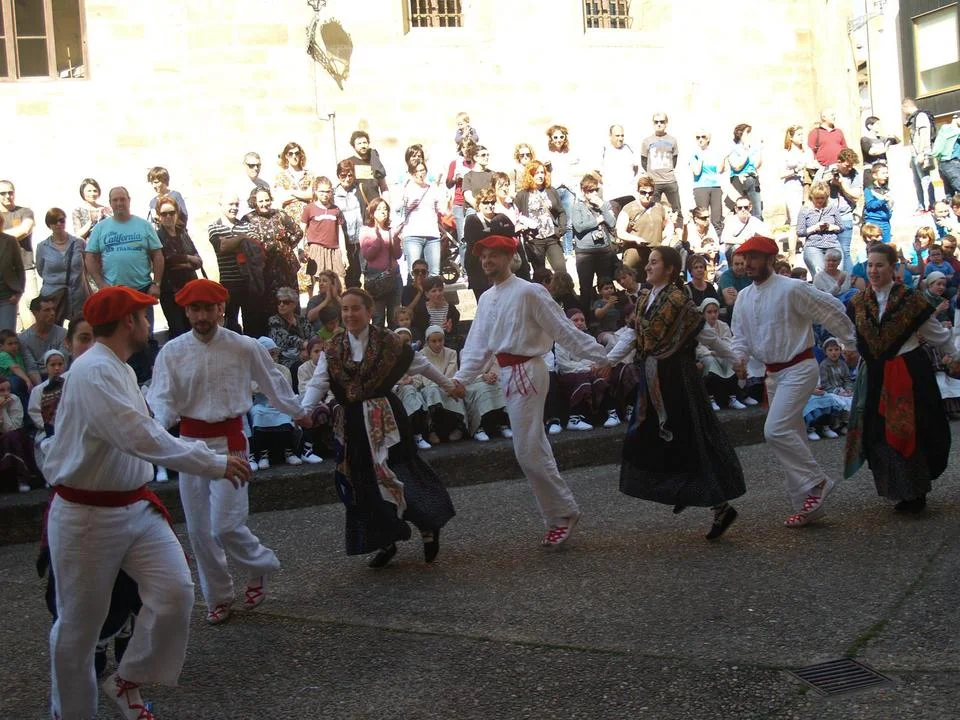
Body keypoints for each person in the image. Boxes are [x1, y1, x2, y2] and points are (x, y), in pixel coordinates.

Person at [43, 285, 252, 720]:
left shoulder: (116, 367)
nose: (148, 323)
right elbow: (142, 437)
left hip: (134, 507)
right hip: (86, 516)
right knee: (79, 627)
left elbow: (148, 429)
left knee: (175, 593)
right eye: (143, 316)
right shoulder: (93, 371)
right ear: (128, 322)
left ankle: (127, 677)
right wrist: (212, 461)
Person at [148, 278, 307, 626]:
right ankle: (219, 597)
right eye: (195, 309)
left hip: (231, 442)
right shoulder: (172, 352)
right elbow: (162, 398)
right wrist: (155, 432)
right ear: (186, 311)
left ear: (221, 309)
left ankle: (259, 564)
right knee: (199, 531)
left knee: (225, 524)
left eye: (208, 308)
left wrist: (299, 411)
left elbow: (274, 382)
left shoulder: (243, 346)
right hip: (189, 446)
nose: (202, 316)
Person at [451, 215, 610, 546]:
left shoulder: (530, 292)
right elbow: (477, 346)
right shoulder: (487, 298)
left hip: (528, 372)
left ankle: (562, 513)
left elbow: (563, 330)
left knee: (527, 450)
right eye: (483, 255)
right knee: (532, 446)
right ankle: (560, 512)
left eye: (494, 254)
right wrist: (460, 379)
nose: (487, 260)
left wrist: (602, 356)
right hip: (509, 375)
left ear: (510, 256)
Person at [301, 288, 457, 568]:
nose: (349, 314)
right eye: (345, 309)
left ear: (369, 311)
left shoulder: (389, 342)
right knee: (361, 481)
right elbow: (319, 381)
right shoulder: (333, 348)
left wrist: (449, 385)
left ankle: (428, 525)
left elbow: (420, 365)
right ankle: (384, 540)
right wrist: (304, 410)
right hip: (351, 423)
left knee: (400, 472)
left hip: (387, 418)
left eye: (355, 308)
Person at [604, 246, 746, 539]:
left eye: (654, 262)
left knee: (691, 439)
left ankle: (719, 505)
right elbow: (632, 335)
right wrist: (607, 361)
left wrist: (734, 360)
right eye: (648, 263)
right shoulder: (644, 297)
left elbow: (707, 336)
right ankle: (684, 489)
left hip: (679, 380)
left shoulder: (680, 302)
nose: (647, 267)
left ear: (669, 269)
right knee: (646, 440)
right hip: (653, 379)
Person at [729, 235, 858, 527]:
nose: (748, 263)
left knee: (775, 431)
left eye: (754, 257)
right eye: (745, 258)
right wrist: (739, 360)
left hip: (800, 368)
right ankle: (807, 506)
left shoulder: (792, 288)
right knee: (793, 436)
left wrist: (849, 343)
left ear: (770, 259)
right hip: (773, 374)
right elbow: (740, 337)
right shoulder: (744, 297)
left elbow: (830, 308)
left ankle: (818, 481)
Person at [844, 242, 954, 514]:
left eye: (880, 265)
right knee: (879, 431)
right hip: (875, 374)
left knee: (909, 429)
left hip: (908, 371)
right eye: (870, 265)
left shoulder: (910, 300)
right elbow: (850, 333)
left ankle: (915, 492)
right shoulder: (859, 302)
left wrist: (955, 354)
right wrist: (848, 348)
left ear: (893, 268)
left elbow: (936, 333)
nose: (873, 270)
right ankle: (897, 488)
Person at [84, 186, 164, 382]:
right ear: (110, 203)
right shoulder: (101, 228)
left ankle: (147, 381)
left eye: (122, 199)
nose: (119, 203)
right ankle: (122, 379)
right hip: (115, 294)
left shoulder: (143, 225)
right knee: (119, 338)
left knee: (144, 337)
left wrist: (156, 283)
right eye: (115, 200)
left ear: (129, 200)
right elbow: (90, 257)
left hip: (142, 291)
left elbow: (158, 254)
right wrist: (101, 284)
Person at [243, 187, 304, 320]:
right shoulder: (248, 219)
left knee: (289, 300)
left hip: (285, 269)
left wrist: (286, 246)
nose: (265, 204)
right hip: (264, 270)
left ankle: (294, 327)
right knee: (269, 304)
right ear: (254, 202)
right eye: (261, 201)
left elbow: (298, 232)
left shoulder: (280, 215)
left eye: (267, 200)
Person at [208, 192, 261, 336]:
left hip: (249, 282)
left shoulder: (246, 225)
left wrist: (232, 242)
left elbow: (255, 247)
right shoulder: (214, 227)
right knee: (230, 322)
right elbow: (222, 247)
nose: (234, 208)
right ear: (221, 205)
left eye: (236, 204)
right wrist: (242, 238)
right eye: (230, 204)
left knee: (252, 322)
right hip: (229, 282)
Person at [154, 194, 201, 338]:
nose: (168, 216)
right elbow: (167, 259)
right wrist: (188, 259)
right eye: (164, 214)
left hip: (191, 289)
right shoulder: (157, 236)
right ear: (159, 216)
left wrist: (186, 262)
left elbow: (198, 260)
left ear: (177, 213)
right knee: (178, 332)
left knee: (195, 330)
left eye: (171, 212)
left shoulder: (183, 233)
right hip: (171, 291)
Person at [571, 173, 617, 310]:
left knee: (606, 285)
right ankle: (586, 316)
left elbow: (612, 223)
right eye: (590, 190)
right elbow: (578, 227)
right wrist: (597, 221)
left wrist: (602, 206)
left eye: (596, 190)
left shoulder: (604, 205)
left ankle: (609, 314)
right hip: (585, 252)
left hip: (603, 251)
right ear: (583, 192)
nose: (594, 193)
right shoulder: (578, 207)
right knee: (586, 287)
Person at [813, 148, 861, 272]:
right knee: (827, 251)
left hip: (845, 216)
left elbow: (856, 196)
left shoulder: (854, 174)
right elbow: (813, 192)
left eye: (851, 166)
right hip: (826, 217)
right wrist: (825, 182)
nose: (849, 169)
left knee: (844, 251)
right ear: (839, 161)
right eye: (847, 166)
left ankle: (849, 278)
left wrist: (841, 185)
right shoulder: (824, 171)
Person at [36, 208, 88, 323]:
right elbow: (40, 270)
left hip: (77, 294)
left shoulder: (79, 242)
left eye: (61, 220)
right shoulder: (42, 247)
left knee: (80, 327)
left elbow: (86, 266)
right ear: (49, 224)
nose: (59, 224)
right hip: (53, 297)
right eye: (54, 221)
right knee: (54, 329)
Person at [515, 160, 566, 274]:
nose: (540, 176)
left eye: (542, 172)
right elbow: (516, 216)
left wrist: (561, 229)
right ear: (530, 175)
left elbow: (561, 211)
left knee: (561, 271)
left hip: (552, 237)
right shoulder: (522, 195)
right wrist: (523, 227)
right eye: (536, 173)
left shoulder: (551, 191)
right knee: (540, 275)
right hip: (534, 241)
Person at [359, 198, 402, 328]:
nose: (383, 212)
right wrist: (378, 241)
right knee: (378, 318)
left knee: (394, 317)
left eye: (385, 209)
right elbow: (367, 255)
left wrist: (395, 239)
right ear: (372, 212)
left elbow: (397, 255)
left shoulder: (391, 230)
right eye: (379, 209)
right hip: (376, 279)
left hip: (394, 276)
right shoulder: (366, 230)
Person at [301, 176, 348, 293]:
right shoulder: (309, 209)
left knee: (341, 284)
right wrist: (301, 250)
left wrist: (344, 254)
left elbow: (340, 232)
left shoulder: (336, 210)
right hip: (317, 249)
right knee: (318, 285)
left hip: (334, 250)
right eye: (322, 191)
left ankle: (340, 305)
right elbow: (302, 230)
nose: (325, 194)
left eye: (328, 191)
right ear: (316, 191)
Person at [615, 176, 669, 271]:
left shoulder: (659, 208)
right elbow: (620, 232)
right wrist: (635, 239)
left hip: (656, 251)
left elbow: (668, 225)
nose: (647, 195)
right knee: (629, 275)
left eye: (650, 193)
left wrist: (666, 240)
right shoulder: (628, 208)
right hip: (635, 250)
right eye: (643, 192)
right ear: (638, 191)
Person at [400, 160, 444, 277]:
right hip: (412, 235)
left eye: (422, 170)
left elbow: (441, 209)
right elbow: (398, 211)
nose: (420, 174)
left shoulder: (432, 188)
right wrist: (408, 205)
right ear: (411, 173)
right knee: (414, 273)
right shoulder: (406, 189)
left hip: (432, 235)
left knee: (434, 273)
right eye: (416, 171)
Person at [543, 124, 579, 254]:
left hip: (568, 190)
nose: (558, 140)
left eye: (561, 137)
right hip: (554, 190)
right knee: (554, 221)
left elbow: (576, 171)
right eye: (555, 137)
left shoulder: (570, 154)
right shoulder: (547, 155)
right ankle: (557, 251)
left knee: (568, 222)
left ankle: (568, 251)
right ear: (551, 139)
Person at [796, 181, 842, 277]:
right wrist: (814, 228)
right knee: (821, 276)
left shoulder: (832, 208)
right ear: (812, 197)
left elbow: (841, 227)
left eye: (822, 198)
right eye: (817, 198)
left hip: (832, 244)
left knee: (837, 275)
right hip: (813, 245)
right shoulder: (805, 210)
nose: (820, 201)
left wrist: (831, 227)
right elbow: (800, 232)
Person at [19, 296, 67, 380]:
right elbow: (31, 367)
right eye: (47, 310)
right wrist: (42, 386)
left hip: (59, 374)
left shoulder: (63, 333)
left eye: (53, 309)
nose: (52, 313)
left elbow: (63, 361)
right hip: (38, 376)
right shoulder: (23, 338)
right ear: (35, 313)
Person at [333, 159, 364, 288]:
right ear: (338, 175)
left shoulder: (359, 190)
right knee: (347, 275)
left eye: (350, 175)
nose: (347, 178)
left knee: (361, 273)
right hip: (344, 241)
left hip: (360, 240)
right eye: (343, 175)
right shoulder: (333, 195)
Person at [902, 98, 937, 213]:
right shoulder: (913, 118)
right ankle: (921, 206)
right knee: (917, 182)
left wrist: (922, 153)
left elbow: (924, 135)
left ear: (906, 106)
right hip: (914, 155)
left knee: (925, 180)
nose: (903, 112)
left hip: (920, 154)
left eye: (903, 109)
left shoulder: (921, 116)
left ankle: (932, 204)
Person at [268, 286, 313, 372]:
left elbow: (312, 335)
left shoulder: (301, 320)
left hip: (307, 354)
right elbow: (284, 339)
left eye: (286, 302)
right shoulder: (274, 321)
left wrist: (307, 349)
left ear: (294, 304)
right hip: (285, 360)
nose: (281, 305)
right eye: (279, 302)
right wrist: (304, 345)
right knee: (299, 368)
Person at [689, 131, 725, 235]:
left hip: (715, 186)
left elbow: (720, 170)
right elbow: (697, 171)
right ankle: (703, 238)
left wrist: (724, 158)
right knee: (702, 217)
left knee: (717, 216)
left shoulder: (714, 154)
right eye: (698, 137)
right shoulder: (694, 155)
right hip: (701, 187)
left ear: (708, 139)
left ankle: (717, 239)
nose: (700, 139)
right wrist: (701, 157)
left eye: (703, 137)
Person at [724, 124, 763, 219]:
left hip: (753, 179)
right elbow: (737, 167)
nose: (750, 135)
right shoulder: (733, 148)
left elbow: (756, 165)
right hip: (739, 181)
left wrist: (759, 150)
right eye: (747, 132)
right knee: (739, 211)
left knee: (756, 212)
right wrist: (745, 152)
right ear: (740, 134)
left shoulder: (751, 148)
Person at [274, 142, 316, 226]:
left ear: (300, 155)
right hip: (289, 220)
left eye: (297, 153)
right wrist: (303, 196)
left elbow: (312, 195)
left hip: (308, 219)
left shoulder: (309, 175)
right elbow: (282, 198)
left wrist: (291, 192)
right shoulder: (280, 176)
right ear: (286, 156)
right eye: (290, 154)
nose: (294, 156)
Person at [347, 130, 389, 208]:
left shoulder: (375, 161)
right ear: (353, 146)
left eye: (365, 143)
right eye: (359, 143)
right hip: (357, 208)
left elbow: (384, 187)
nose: (363, 146)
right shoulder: (349, 163)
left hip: (375, 207)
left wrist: (386, 206)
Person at [720, 197, 770, 262]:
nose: (743, 210)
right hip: (735, 252)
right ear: (736, 209)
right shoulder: (731, 221)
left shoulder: (755, 221)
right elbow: (725, 239)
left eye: (746, 207)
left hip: (751, 250)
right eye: (740, 208)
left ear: (750, 208)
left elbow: (768, 236)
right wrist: (745, 241)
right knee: (737, 247)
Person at [596, 124, 638, 201]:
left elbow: (635, 168)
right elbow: (594, 173)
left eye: (622, 135)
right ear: (610, 136)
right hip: (612, 196)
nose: (620, 138)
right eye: (617, 136)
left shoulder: (629, 149)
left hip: (629, 195)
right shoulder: (604, 150)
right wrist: (607, 182)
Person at [0, 214, 25, 332]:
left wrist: (19, 292)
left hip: (7, 298)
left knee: (7, 335)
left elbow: (20, 268)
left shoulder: (10, 241)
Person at [859, 117, 900, 188]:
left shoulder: (882, 139)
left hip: (883, 171)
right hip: (871, 170)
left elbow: (898, 141)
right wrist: (885, 149)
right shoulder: (865, 139)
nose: (879, 126)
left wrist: (894, 135)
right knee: (871, 190)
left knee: (884, 191)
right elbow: (871, 152)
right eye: (877, 124)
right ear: (870, 126)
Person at [862, 162, 894, 243]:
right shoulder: (869, 189)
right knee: (875, 246)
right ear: (875, 175)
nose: (886, 175)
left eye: (887, 173)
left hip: (885, 223)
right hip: (874, 222)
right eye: (883, 173)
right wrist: (883, 200)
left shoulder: (885, 189)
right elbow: (870, 205)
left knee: (887, 246)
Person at [932, 112, 960, 199]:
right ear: (956, 118)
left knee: (950, 195)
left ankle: (951, 207)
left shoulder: (945, 130)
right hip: (951, 163)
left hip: (945, 164)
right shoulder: (949, 129)